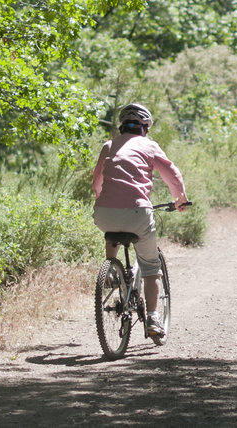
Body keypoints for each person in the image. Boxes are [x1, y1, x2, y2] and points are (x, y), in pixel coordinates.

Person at [92, 103, 189, 338]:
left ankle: (112, 270)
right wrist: (181, 198)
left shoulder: (108, 145)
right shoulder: (149, 146)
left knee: (112, 232)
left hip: (103, 213)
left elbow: (97, 179)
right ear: (145, 127)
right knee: (150, 267)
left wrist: (102, 198)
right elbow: (172, 174)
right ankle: (154, 319)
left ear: (122, 125)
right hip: (137, 213)